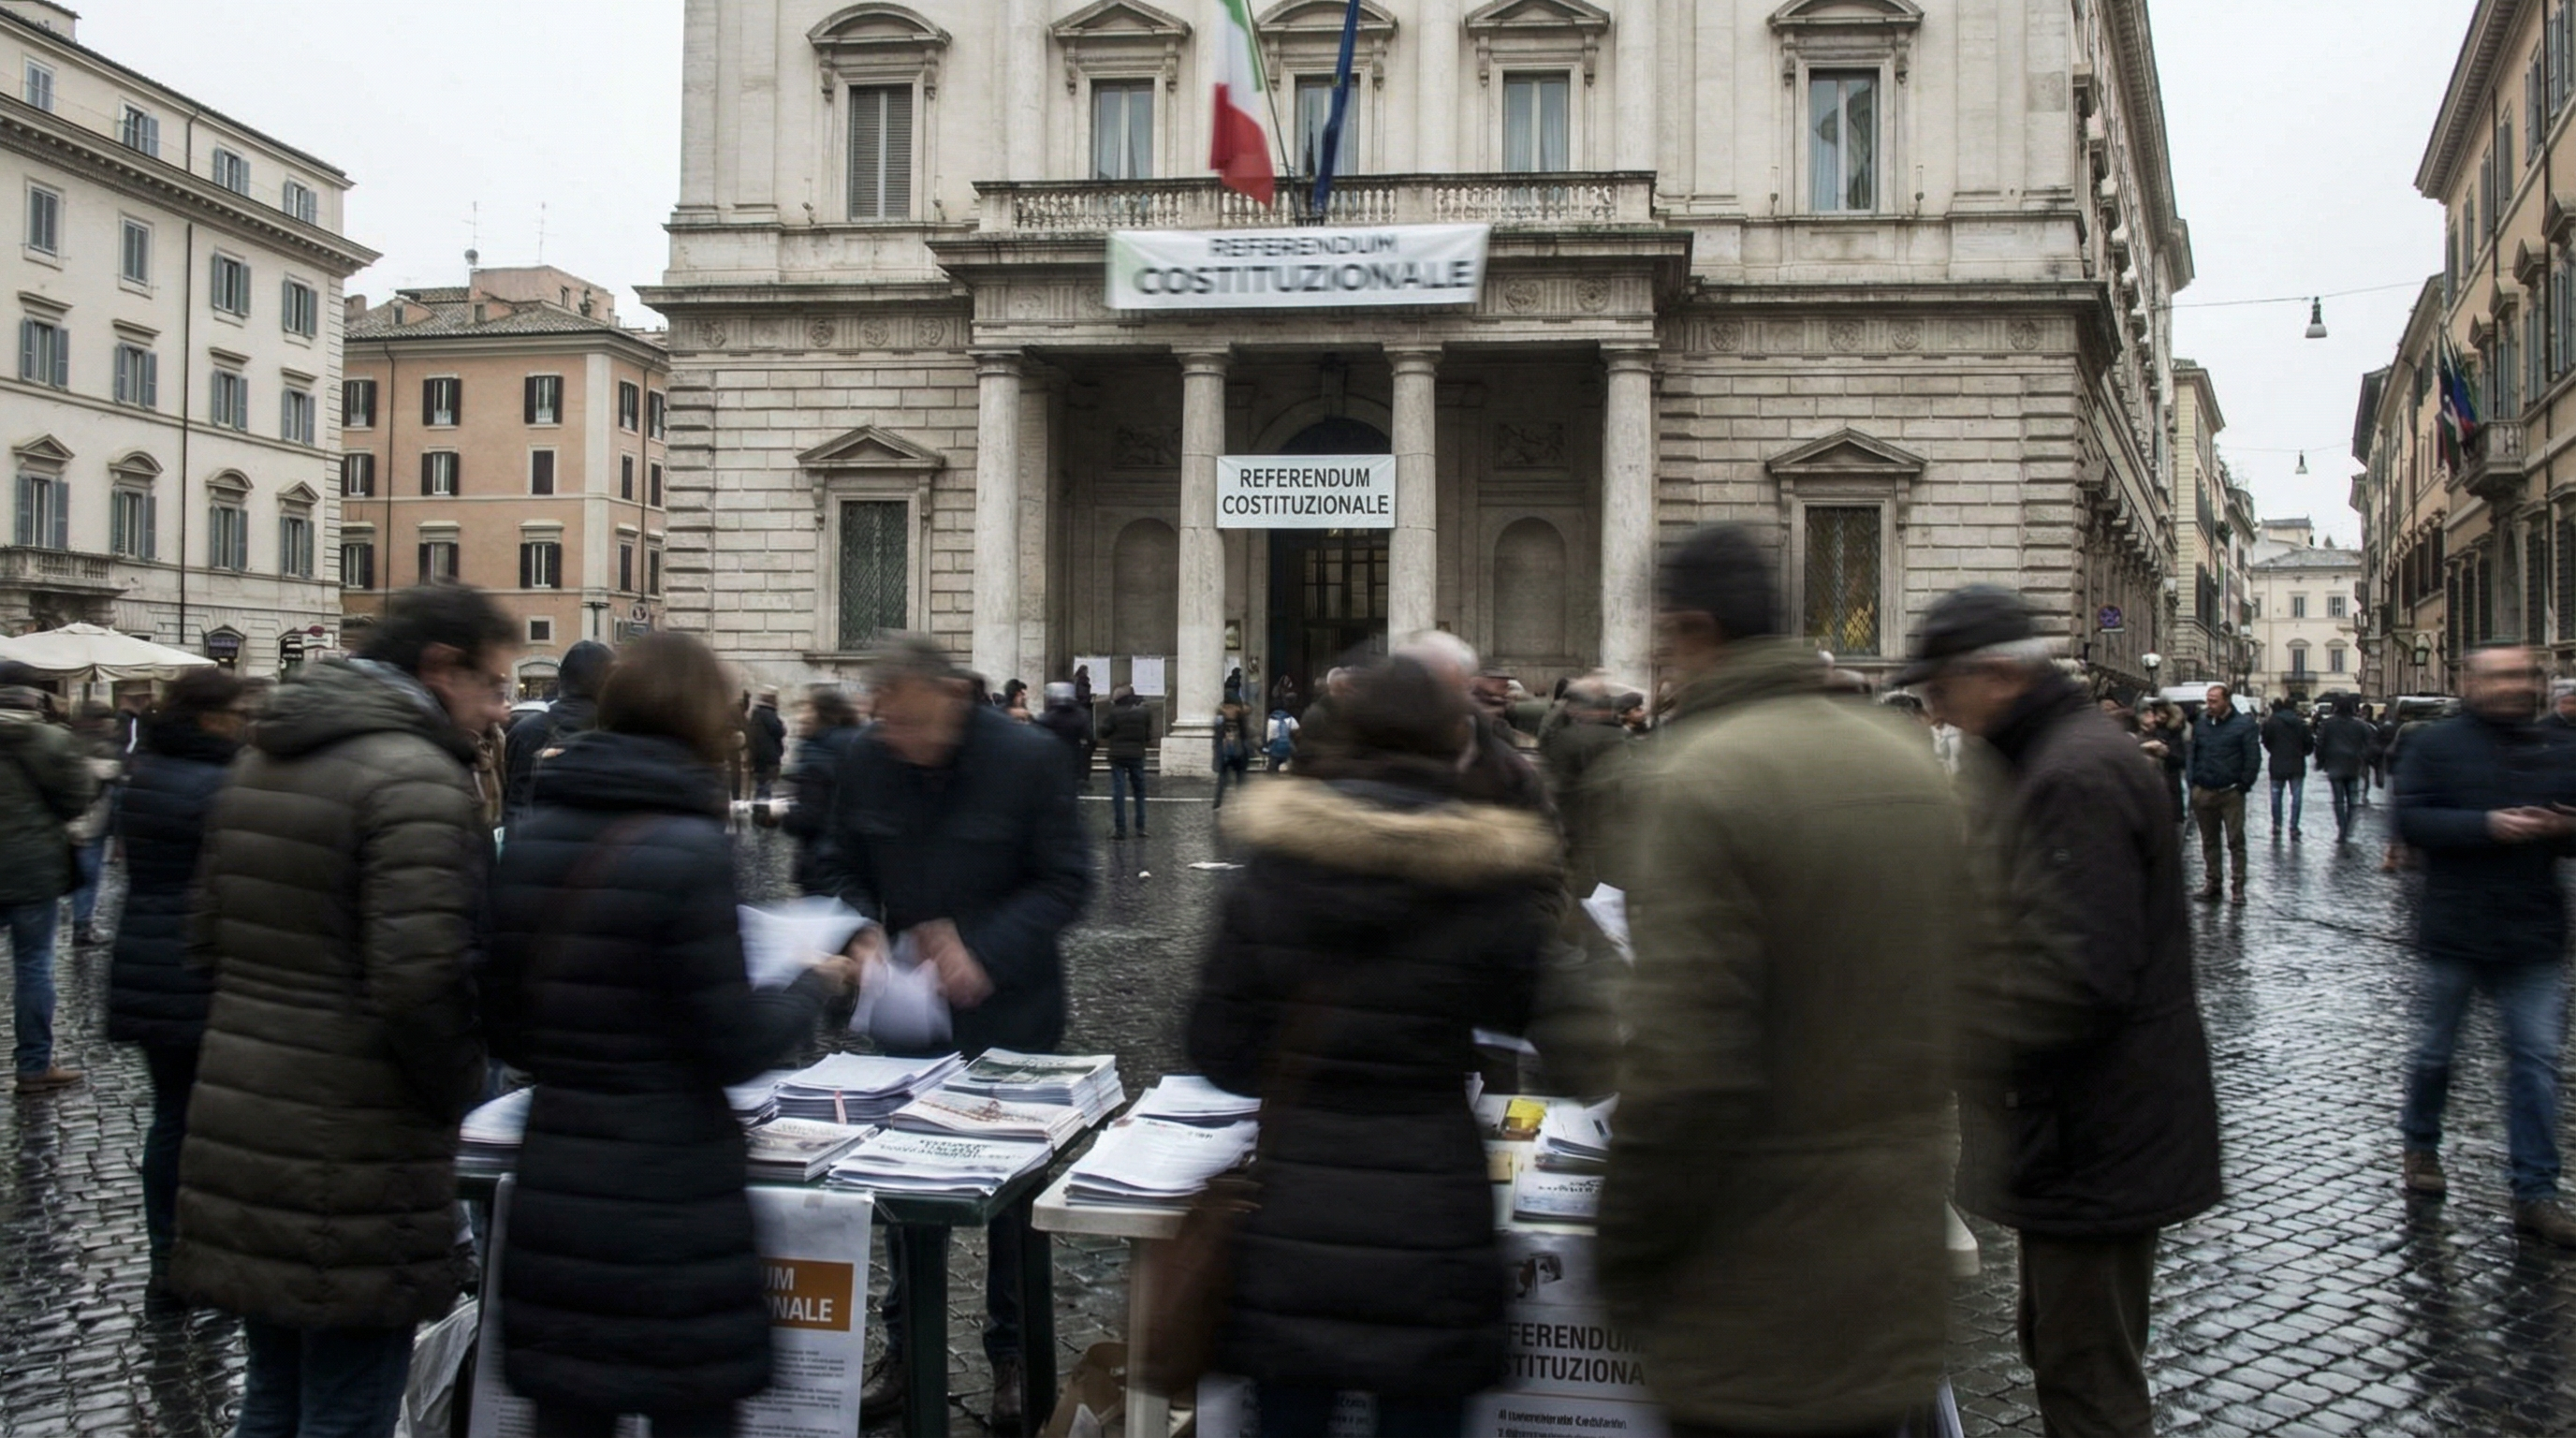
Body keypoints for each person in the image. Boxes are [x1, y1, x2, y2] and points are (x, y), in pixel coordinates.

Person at [1599, 524, 1969, 1435]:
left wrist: (1626, 1252)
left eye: (1663, 638)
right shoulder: (1909, 767)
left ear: (1694, 629)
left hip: (1752, 1287)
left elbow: (1683, 1071)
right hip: (1893, 1257)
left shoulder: (1699, 778)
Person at [487, 632, 862, 1438]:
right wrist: (812, 982)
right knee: (690, 1411)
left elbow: (504, 1025)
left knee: (567, 1412)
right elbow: (731, 1042)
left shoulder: (532, 839)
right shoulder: (688, 847)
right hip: (672, 1195)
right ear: (697, 720)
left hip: (558, 1179)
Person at [170, 584, 514, 1438]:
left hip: (245, 1122)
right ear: (441, 669)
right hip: (356, 1142)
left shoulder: (264, 757)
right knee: (349, 1405)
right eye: (494, 686)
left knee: (276, 1391)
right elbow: (423, 985)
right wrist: (459, 1087)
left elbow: (207, 939)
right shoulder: (418, 781)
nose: (500, 711)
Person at [1188, 657, 1557, 1438]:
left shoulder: (1276, 868)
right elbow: (1538, 1015)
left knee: (1290, 1414)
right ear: (1453, 742)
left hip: (1298, 1216)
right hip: (1432, 1213)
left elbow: (1217, 1047)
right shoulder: (1487, 875)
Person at [1902, 587, 2220, 1438]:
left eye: (1942, 686)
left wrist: (1933, 1043)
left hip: (2099, 1131)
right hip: (2078, 1129)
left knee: (2087, 1376)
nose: (1934, 708)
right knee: (2061, 1348)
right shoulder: (2036, 757)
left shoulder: (2073, 773)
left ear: (1997, 674)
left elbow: (2074, 977)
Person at [812, 637, 1091, 1432]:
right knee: (900, 1190)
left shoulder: (1028, 759)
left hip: (1012, 1009)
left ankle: (1011, 1355)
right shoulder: (869, 758)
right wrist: (861, 929)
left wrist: (985, 949)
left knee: (1012, 1199)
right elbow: (836, 863)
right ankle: (902, 1350)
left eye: (909, 720)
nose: (897, 736)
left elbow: (1068, 880)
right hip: (907, 1010)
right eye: (886, 722)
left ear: (948, 697)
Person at [2393, 644, 2576, 1246]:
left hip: (2533, 933)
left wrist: (2563, 827)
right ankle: (2421, 1146)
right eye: (2502, 676)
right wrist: (2488, 826)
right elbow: (2412, 821)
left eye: (2525, 675)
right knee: (2434, 1054)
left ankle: (2536, 1192)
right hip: (2456, 928)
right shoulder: (2434, 744)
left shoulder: (2558, 745)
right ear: (2469, 683)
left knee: (2536, 1063)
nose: (2515, 686)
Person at [104, 668, 247, 1284]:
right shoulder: (221, 784)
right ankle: (201, 1253)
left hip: (144, 954)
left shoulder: (145, 773)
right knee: (212, 1120)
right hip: (201, 962)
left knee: (169, 1115)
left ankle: (165, 1255)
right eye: (238, 712)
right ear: (211, 717)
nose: (246, 722)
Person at [1, 663, 101, 1094]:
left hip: (30, 867)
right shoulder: (54, 740)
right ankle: (34, 1065)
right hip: (33, 869)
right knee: (34, 965)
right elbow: (78, 799)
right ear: (36, 695)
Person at [503, 638, 613, 827]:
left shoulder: (524, 732)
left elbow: (511, 800)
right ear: (610, 683)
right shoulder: (619, 736)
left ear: (561, 681)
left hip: (528, 845)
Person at [783, 683, 867, 895]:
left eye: (807, 709)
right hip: (859, 864)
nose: (801, 717)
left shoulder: (816, 751)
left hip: (822, 864)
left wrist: (781, 814)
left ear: (822, 713)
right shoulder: (859, 742)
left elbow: (809, 816)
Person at [2187, 683, 2261, 903]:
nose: (2209, 704)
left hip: (2231, 792)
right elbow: (2193, 753)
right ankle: (2213, 883)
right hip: (2204, 789)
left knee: (2235, 841)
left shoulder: (2244, 725)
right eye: (2208, 700)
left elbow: (2252, 757)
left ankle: (2238, 887)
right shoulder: (2201, 723)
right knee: (2209, 841)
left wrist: (2243, 785)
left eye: (2214, 701)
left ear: (2226, 701)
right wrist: (2193, 782)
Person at [64, 703, 120, 947]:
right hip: (90, 823)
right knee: (88, 877)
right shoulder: (103, 748)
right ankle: (82, 926)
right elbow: (106, 779)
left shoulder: (67, 741)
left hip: (70, 821)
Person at [2315, 696, 2376, 844]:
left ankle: (2342, 828)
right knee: (2352, 799)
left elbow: (2320, 743)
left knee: (2338, 800)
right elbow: (2370, 743)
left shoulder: (2328, 724)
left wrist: (2320, 761)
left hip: (2334, 763)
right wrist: (2363, 757)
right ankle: (2347, 827)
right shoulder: (2360, 725)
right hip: (2353, 764)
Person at [1100, 683, 1152, 839]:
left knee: (1119, 793)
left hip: (1118, 756)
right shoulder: (1144, 712)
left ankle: (1120, 829)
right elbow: (1148, 736)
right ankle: (1140, 828)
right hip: (1137, 755)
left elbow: (1104, 732)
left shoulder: (1114, 713)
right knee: (1140, 793)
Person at [2261, 696, 2313, 838]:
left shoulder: (2272, 722)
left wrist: (2275, 751)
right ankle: (2294, 827)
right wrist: (2303, 752)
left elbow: (2265, 740)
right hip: (2297, 763)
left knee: (2276, 795)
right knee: (2296, 797)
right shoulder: (2300, 723)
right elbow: (2309, 743)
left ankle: (2277, 824)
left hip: (2277, 763)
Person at [1035, 681, 1091, 787]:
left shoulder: (1046, 718)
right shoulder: (1080, 716)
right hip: (1073, 761)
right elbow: (1089, 738)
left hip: (1051, 762)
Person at [743, 685, 787, 799]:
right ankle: (761, 811)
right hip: (768, 757)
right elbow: (777, 731)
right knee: (765, 788)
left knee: (761, 785)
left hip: (758, 757)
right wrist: (782, 728)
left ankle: (759, 810)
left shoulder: (756, 714)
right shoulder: (768, 714)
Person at [1212, 697, 1254, 809]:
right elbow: (1245, 736)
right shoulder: (1239, 717)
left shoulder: (1220, 718)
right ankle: (1237, 803)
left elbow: (1217, 738)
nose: (1230, 709)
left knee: (1226, 779)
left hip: (1231, 752)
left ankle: (1219, 804)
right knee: (1235, 779)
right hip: (1235, 752)